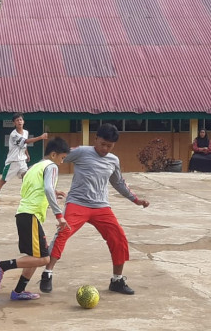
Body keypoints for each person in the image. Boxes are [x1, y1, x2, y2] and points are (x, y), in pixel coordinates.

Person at [39, 124, 150, 296]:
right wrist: (43, 177)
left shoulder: (113, 160)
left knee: (119, 238)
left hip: (101, 207)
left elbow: (118, 182)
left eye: (110, 146)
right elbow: (53, 158)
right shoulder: (81, 152)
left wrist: (135, 200)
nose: (105, 149)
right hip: (77, 203)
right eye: (103, 144)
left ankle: (117, 280)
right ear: (95, 139)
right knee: (63, 232)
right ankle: (48, 273)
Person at [0, 137, 70, 301]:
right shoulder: (51, 166)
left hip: (24, 214)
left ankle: (18, 292)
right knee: (44, 258)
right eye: (62, 158)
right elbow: (47, 187)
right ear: (54, 155)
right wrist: (59, 215)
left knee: (33, 258)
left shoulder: (35, 167)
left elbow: (37, 189)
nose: (62, 162)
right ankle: (1, 266)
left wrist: (54, 193)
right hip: (31, 215)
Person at [0, 112, 48, 210]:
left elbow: (24, 145)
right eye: (17, 120)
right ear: (14, 123)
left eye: (20, 120)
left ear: (23, 121)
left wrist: (27, 154)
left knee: (27, 178)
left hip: (22, 161)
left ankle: (30, 199)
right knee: (3, 180)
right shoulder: (13, 134)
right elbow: (25, 141)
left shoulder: (25, 132)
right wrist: (40, 137)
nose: (19, 121)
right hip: (13, 162)